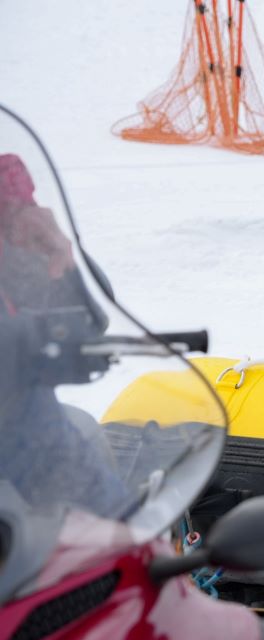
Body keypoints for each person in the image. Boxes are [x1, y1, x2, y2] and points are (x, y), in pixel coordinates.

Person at [0, 153, 127, 516]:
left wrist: (61, 259)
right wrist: (33, 339)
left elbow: (92, 322)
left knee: (125, 544)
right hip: (28, 443)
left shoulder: (15, 244)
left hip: (35, 444)